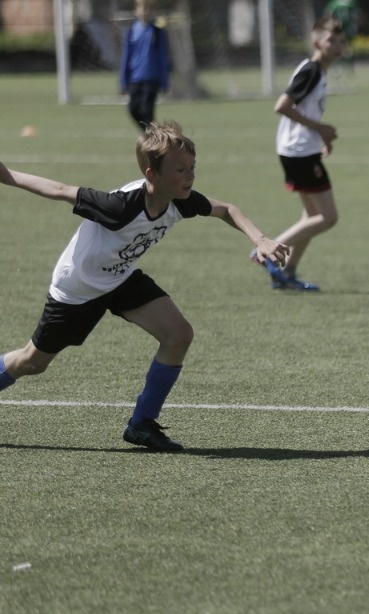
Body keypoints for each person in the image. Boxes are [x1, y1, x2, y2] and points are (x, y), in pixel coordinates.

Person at [0, 122, 289, 452]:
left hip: (121, 278)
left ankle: (142, 425)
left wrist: (260, 239)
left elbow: (227, 209)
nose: (190, 176)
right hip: (77, 289)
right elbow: (60, 189)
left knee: (179, 334)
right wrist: (6, 176)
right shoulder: (120, 207)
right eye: (180, 170)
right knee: (31, 363)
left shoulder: (180, 201)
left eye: (192, 167)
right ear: (152, 175)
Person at [257, 17, 346, 291]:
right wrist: (319, 128)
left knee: (311, 217)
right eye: (331, 40)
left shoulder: (318, 70)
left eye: (341, 41)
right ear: (316, 42)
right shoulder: (312, 70)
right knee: (327, 218)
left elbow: (306, 109)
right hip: (299, 153)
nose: (338, 46)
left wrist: (320, 135)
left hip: (299, 150)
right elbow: (282, 106)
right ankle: (265, 251)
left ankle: (287, 274)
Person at [119, 0, 171, 131]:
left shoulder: (157, 32)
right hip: (135, 78)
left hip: (152, 79)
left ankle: (153, 140)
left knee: (148, 111)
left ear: (152, 11)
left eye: (147, 8)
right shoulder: (131, 31)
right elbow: (126, 57)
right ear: (136, 10)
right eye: (142, 8)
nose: (144, 11)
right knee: (133, 109)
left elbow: (163, 58)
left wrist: (164, 82)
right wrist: (124, 81)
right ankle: (154, 136)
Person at [324, 0, 359, 74]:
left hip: (338, 29)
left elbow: (328, 15)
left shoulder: (334, 3)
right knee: (348, 50)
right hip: (349, 29)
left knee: (336, 48)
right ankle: (349, 69)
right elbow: (356, 17)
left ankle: (338, 67)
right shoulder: (352, 3)